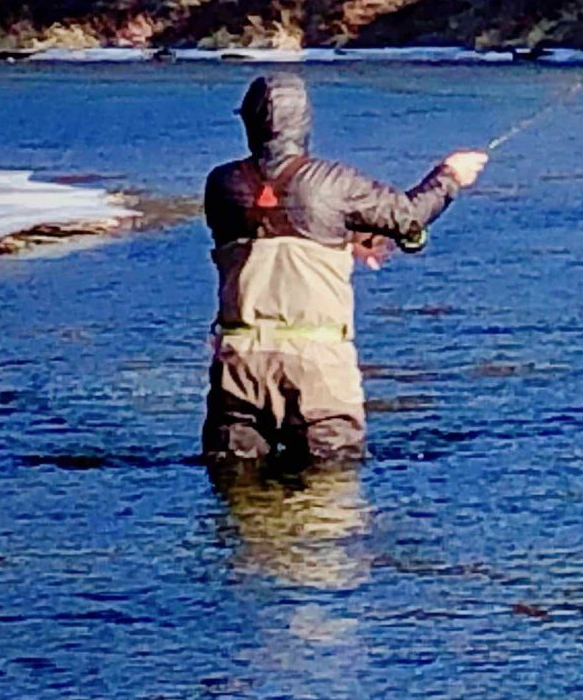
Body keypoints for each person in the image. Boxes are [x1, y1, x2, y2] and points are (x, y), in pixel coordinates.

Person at [202, 72, 488, 471]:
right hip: (319, 370)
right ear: (303, 125)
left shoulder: (221, 185)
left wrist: (346, 237)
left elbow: (273, 219)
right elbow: (407, 217)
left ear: (249, 124)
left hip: (239, 367)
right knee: (330, 502)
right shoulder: (333, 182)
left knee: (240, 504)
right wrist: (449, 176)